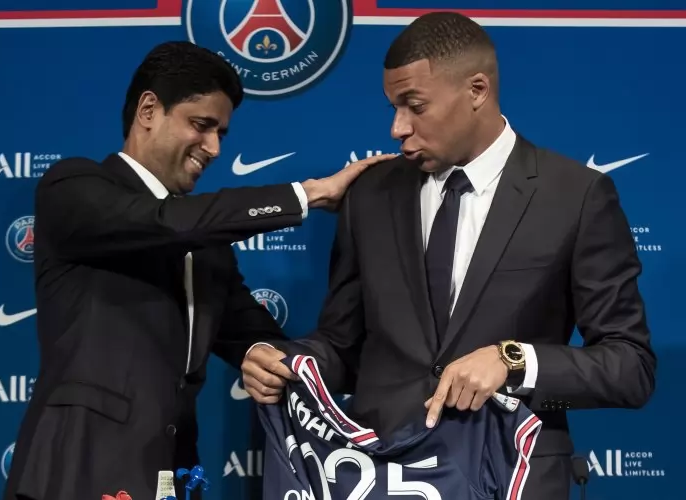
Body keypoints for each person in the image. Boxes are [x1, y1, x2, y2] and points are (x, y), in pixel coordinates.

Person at [242, 11, 656, 499]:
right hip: (383, 477)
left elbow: (630, 368)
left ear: (477, 90)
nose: (397, 127)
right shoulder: (370, 195)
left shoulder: (576, 196)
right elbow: (344, 345)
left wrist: (513, 361)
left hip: (511, 475)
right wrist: (290, 362)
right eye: (394, 107)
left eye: (415, 106)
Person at [2, 41, 394, 500]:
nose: (213, 148)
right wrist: (306, 195)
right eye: (201, 125)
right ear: (149, 110)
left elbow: (257, 340)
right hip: (78, 470)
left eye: (221, 134)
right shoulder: (73, 187)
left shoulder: (208, 247)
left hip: (173, 476)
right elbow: (163, 222)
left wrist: (273, 358)